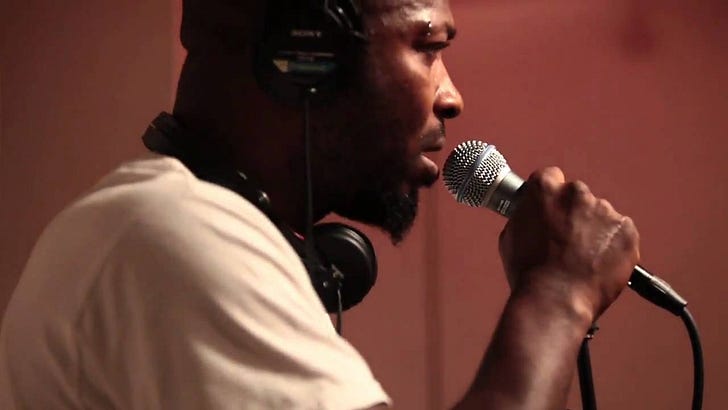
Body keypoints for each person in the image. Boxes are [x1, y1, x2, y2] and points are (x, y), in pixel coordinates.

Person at [0, 0, 640, 408]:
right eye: (427, 47)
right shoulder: (173, 233)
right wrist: (558, 294)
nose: (451, 97)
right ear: (308, 53)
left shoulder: (158, 225)